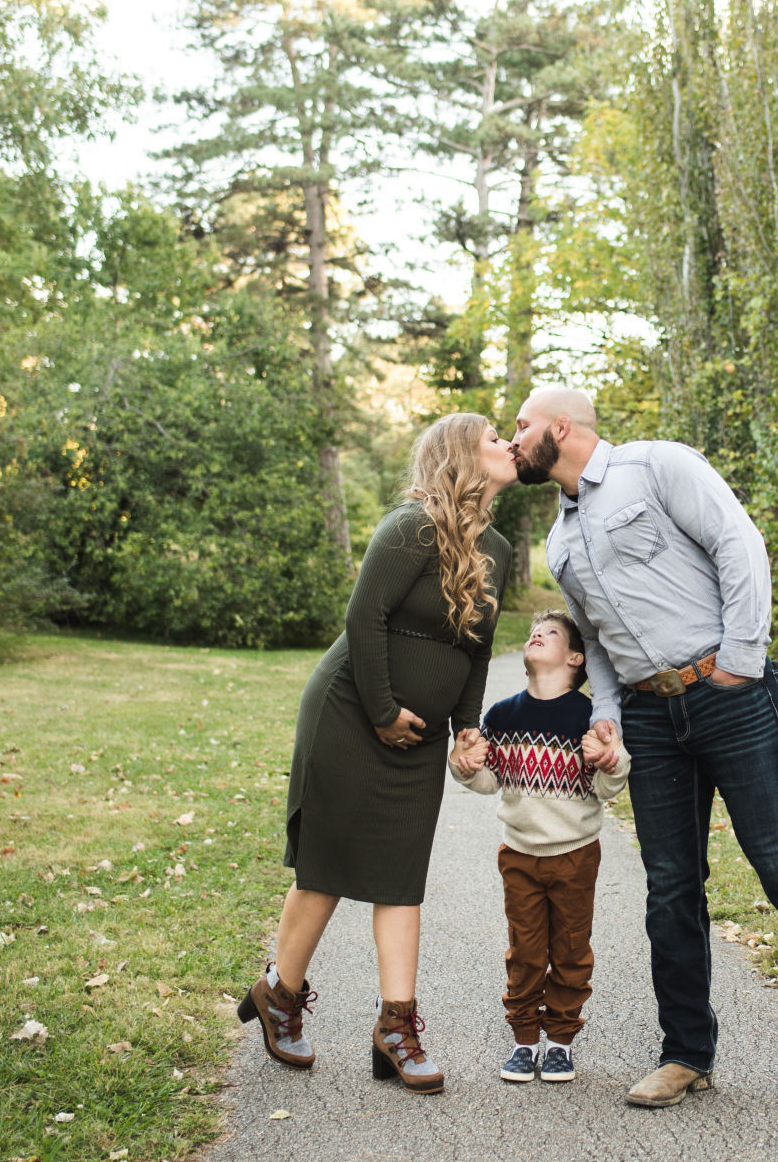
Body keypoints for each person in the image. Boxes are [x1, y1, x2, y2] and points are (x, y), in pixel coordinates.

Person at [508, 387, 778, 1116]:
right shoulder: (560, 539)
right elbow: (600, 645)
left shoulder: (658, 466)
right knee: (671, 886)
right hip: (647, 717)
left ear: (559, 427)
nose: (511, 439)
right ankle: (686, 1054)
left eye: (519, 426)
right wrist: (607, 715)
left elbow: (739, 544)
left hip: (729, 694)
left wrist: (741, 656)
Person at [237, 412, 516, 1095]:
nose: (508, 444)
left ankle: (395, 1028)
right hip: (351, 714)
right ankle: (281, 996)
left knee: (400, 874)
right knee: (325, 866)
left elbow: (476, 650)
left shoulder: (500, 548)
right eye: (493, 438)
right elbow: (363, 620)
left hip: (416, 735)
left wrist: (467, 727)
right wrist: (385, 711)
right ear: (460, 456)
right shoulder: (410, 528)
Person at [447, 608, 630, 1085]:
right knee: (525, 949)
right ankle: (525, 1039)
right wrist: (464, 767)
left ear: (574, 657)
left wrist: (609, 761)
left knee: (570, 948)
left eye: (550, 633)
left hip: (575, 855)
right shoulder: (503, 715)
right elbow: (490, 779)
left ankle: (560, 1044)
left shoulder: (590, 716)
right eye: (534, 631)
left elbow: (610, 786)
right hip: (520, 855)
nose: (537, 635)